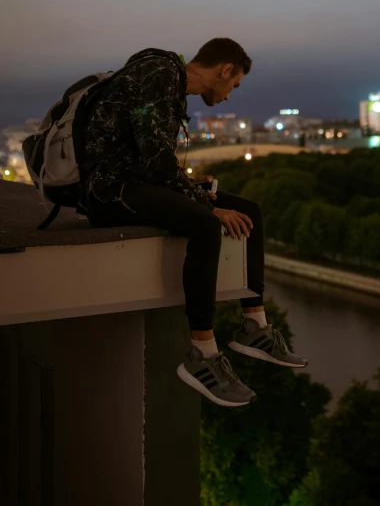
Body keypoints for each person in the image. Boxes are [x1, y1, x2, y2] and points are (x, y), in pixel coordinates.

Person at [82, 37, 307, 407]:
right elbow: (154, 158)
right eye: (234, 85)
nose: (231, 95)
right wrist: (202, 203)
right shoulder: (159, 72)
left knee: (249, 210)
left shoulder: (169, 84)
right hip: (110, 191)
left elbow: (150, 158)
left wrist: (191, 187)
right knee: (204, 223)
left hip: (135, 183)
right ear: (226, 69)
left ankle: (256, 327)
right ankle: (202, 353)